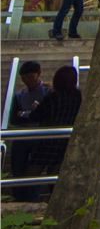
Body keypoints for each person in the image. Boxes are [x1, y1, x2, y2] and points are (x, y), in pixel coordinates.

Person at [19, 65, 82, 199]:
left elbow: (37, 115)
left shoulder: (54, 96)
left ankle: (26, 198)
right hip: (65, 139)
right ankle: (54, 200)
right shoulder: (77, 95)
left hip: (48, 138)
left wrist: (26, 113)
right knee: (55, 172)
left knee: (33, 170)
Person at [9, 60, 49, 125]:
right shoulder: (19, 96)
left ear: (39, 73)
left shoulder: (49, 92)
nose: (27, 81)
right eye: (24, 78)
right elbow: (14, 119)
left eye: (31, 77)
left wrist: (24, 114)